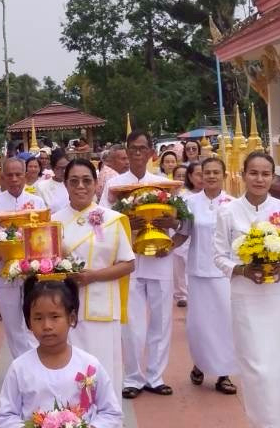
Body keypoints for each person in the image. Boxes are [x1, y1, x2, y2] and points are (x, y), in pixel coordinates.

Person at [213, 150, 280, 428]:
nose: (259, 179)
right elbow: (220, 255)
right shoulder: (228, 213)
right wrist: (240, 270)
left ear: (273, 177)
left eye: (265, 173)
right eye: (253, 173)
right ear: (243, 174)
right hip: (247, 299)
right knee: (258, 368)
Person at [0, 277, 123, 428]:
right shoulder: (20, 368)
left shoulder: (89, 365)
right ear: (28, 322)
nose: (47, 326)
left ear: (71, 318)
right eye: (38, 318)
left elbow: (111, 412)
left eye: (55, 317)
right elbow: (3, 417)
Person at [53, 158, 137, 428]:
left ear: (96, 183)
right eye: (74, 181)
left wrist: (94, 276)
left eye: (86, 180)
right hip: (65, 310)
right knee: (67, 378)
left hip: (103, 309)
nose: (80, 187)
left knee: (101, 378)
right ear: (65, 185)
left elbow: (128, 263)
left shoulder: (113, 220)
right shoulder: (53, 221)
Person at [100, 130, 180, 400]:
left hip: (159, 259)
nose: (137, 153)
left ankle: (156, 376)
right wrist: (125, 222)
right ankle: (133, 377)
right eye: (132, 148)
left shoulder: (164, 184)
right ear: (126, 151)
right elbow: (101, 221)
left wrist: (170, 224)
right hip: (129, 261)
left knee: (161, 320)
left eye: (142, 148)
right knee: (132, 323)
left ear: (150, 153)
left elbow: (181, 219)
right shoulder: (114, 187)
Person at [178, 157, 238, 395]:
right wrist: (160, 248)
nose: (211, 176)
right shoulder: (189, 203)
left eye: (216, 172)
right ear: (199, 176)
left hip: (224, 273)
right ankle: (200, 364)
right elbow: (183, 233)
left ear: (224, 175)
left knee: (225, 324)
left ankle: (224, 374)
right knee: (199, 325)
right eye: (206, 172)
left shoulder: (233, 204)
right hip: (198, 272)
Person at [0, 157, 48, 359]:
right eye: (9, 175)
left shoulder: (37, 202)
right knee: (12, 322)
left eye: (19, 174)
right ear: (2, 177)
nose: (14, 179)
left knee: (36, 317)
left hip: (33, 270)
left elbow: (45, 233)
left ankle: (39, 359)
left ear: (26, 175)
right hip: (4, 270)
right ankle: (22, 364)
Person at [170, 162, 194, 307]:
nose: (180, 178)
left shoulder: (193, 196)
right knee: (178, 267)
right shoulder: (171, 195)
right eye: (177, 175)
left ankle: (191, 292)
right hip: (177, 233)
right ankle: (181, 295)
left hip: (190, 235)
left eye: (183, 176)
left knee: (189, 265)